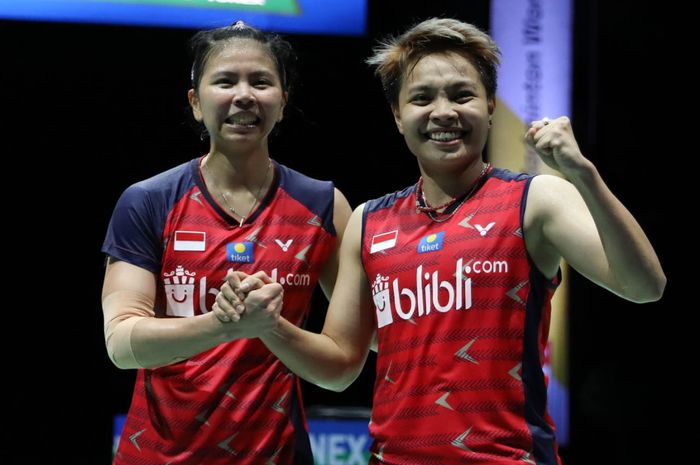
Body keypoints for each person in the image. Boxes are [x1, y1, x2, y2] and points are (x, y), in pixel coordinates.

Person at [216, 17, 666, 464]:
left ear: (490, 104)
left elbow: (644, 287)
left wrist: (584, 174)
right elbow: (338, 368)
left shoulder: (535, 200)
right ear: (398, 116)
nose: (444, 112)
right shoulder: (368, 222)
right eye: (422, 98)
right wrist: (268, 326)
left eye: (462, 94)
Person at [101, 21, 351, 465]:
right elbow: (122, 343)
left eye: (261, 82)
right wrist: (226, 325)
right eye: (225, 81)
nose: (244, 95)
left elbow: (342, 367)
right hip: (158, 454)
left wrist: (269, 326)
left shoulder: (323, 206)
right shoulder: (148, 201)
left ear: (283, 100)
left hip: (275, 453)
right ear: (195, 102)